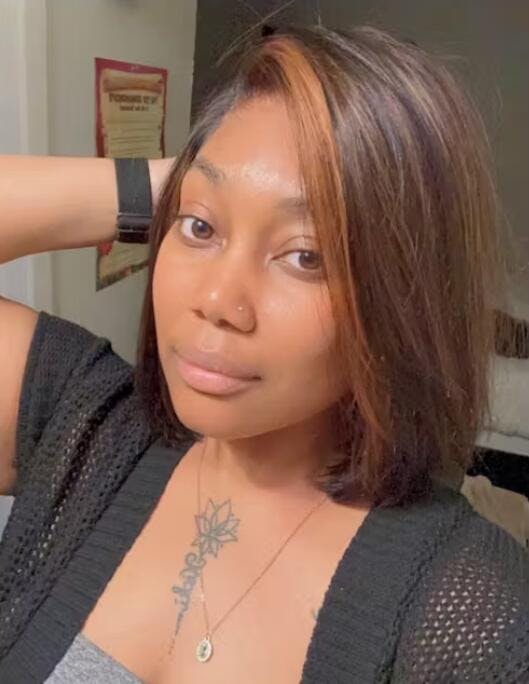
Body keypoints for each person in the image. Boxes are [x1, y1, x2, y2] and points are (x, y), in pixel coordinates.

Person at [0, 23, 527, 684]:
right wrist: (179, 183)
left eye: (306, 256)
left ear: (403, 296)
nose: (218, 299)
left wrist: (221, 199)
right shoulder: (82, 424)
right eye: (199, 228)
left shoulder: (474, 622)